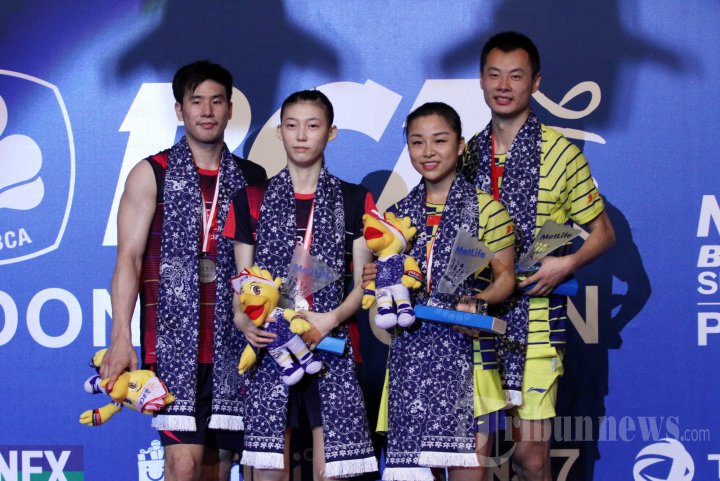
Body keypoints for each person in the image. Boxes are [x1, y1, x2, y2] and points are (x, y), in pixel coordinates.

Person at [100, 60, 267, 481]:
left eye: (216, 101)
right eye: (196, 101)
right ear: (180, 110)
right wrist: (120, 337)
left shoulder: (253, 178)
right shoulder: (150, 173)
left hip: (236, 344)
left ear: (230, 109)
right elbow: (128, 259)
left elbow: (265, 268)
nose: (207, 111)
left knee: (219, 468)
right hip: (173, 345)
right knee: (183, 465)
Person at [461, 32, 616, 481]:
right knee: (473, 455)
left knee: (530, 456)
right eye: (494, 74)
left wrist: (566, 263)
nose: (503, 86)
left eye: (516, 76)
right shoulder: (468, 155)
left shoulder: (562, 153)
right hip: (476, 318)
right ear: (481, 80)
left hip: (537, 321)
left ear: (535, 82)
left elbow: (603, 234)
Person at [224, 89, 378, 480]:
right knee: (268, 474)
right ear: (279, 132)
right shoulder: (251, 199)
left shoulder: (355, 199)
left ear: (331, 132)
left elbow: (363, 284)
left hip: (333, 348)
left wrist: (330, 319)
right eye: (292, 126)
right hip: (270, 349)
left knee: (334, 473)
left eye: (313, 125)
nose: (302, 135)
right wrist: (242, 320)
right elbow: (242, 283)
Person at [380, 102, 516, 481]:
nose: (428, 151)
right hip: (410, 361)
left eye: (439, 140)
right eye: (417, 142)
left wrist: (480, 300)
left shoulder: (488, 210)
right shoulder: (394, 217)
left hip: (468, 359)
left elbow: (506, 277)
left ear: (459, 145)